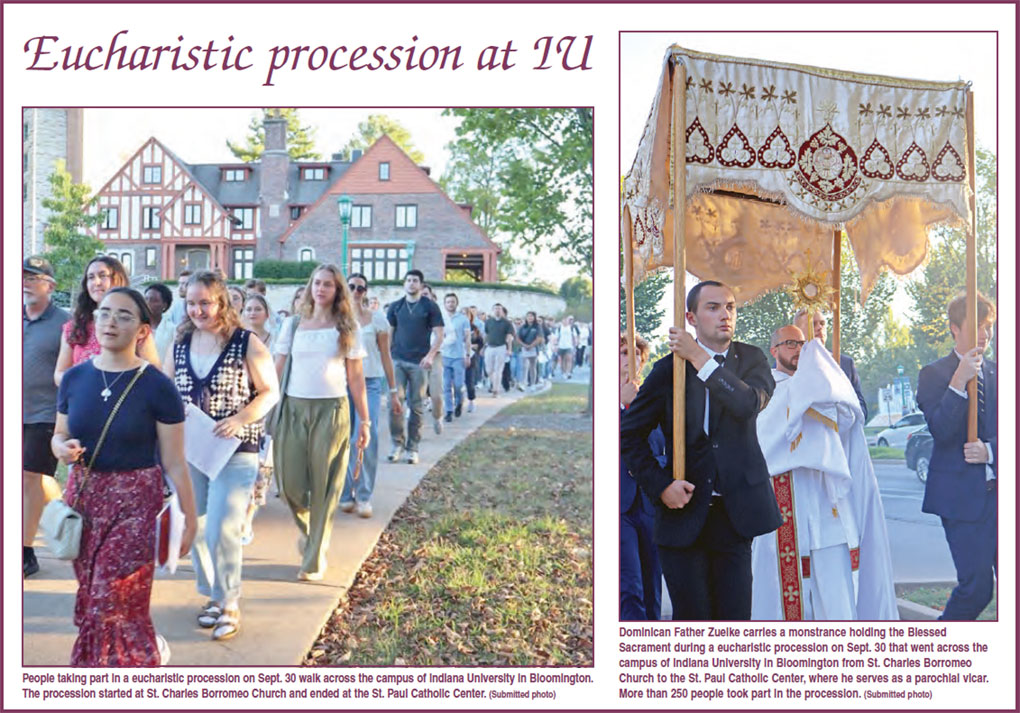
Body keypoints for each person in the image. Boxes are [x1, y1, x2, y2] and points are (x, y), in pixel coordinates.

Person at [52, 287, 197, 666]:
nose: (110, 322)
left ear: (143, 330)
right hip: (83, 498)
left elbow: (176, 462)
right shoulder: (74, 379)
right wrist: (60, 448)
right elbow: (59, 434)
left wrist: (191, 520)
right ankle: (140, 651)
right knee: (96, 594)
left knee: (108, 595)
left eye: (123, 315)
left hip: (135, 498)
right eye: (104, 313)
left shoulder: (158, 386)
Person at [620, 280, 781, 620]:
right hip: (682, 514)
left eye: (730, 307)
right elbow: (629, 434)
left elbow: (747, 403)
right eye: (713, 307)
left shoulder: (751, 359)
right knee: (693, 620)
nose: (725, 314)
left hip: (735, 513)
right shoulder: (668, 371)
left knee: (734, 619)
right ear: (691, 318)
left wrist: (699, 356)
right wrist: (660, 485)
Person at [751, 326, 897, 620]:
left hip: (825, 496)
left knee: (834, 585)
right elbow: (765, 441)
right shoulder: (766, 390)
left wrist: (829, 381)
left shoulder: (825, 387)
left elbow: (849, 423)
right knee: (781, 588)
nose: (798, 349)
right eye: (789, 343)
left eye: (803, 344)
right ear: (774, 351)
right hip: (783, 495)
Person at [165, 270, 279, 641]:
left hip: (235, 447)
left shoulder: (246, 342)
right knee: (194, 527)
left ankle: (230, 600)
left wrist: (240, 418)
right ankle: (213, 595)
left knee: (222, 528)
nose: (198, 310)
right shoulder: (179, 343)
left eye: (206, 302)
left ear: (222, 303)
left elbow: (269, 392)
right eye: (192, 302)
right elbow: (165, 391)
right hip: (192, 448)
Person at [274, 265, 370, 579]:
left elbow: (356, 378)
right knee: (290, 484)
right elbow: (277, 369)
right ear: (309, 287)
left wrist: (365, 422)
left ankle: (314, 557)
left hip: (332, 411)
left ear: (337, 290)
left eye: (328, 284)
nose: (321, 289)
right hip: (293, 409)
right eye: (316, 283)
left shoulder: (347, 327)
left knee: (325, 485)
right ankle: (311, 532)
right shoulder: (291, 325)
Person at [916, 293, 997, 620]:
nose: (985, 334)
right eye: (977, 326)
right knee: (976, 589)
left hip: (1001, 493)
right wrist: (959, 380)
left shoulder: (1001, 373)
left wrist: (991, 451)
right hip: (961, 499)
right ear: (954, 328)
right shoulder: (933, 374)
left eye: (989, 326)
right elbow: (942, 430)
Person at [23, 257, 70, 577]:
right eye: (22, 277)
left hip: (45, 413)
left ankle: (25, 553)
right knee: (36, 482)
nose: (25, 282)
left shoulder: (64, 324)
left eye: (33, 278)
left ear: (50, 286)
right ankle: (66, 512)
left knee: (27, 478)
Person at [339, 273, 398, 518]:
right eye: (351, 286)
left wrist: (393, 391)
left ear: (366, 292)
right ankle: (344, 493)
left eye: (360, 288)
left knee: (366, 436)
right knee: (343, 438)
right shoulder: (338, 319)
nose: (355, 291)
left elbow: (386, 355)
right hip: (340, 384)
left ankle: (364, 495)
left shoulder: (378, 320)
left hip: (371, 383)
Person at [55, 256, 161, 385]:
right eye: (91, 277)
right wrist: (84, 380)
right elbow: (59, 374)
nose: (96, 282)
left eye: (102, 275)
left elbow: (154, 372)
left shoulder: (134, 325)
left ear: (118, 280)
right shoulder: (74, 327)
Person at [620, 332, 664, 621]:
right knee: (629, 585)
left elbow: (666, 447)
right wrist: (626, 409)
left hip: (650, 502)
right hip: (619, 504)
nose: (630, 359)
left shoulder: (656, 398)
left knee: (652, 586)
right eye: (624, 352)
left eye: (637, 354)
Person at [386, 270, 443, 464]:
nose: (411, 283)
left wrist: (430, 355)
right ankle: (397, 443)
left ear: (421, 284)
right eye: (408, 280)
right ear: (404, 284)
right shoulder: (395, 307)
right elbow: (389, 334)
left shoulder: (430, 307)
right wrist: (386, 358)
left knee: (416, 405)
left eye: (415, 281)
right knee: (394, 403)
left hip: (420, 362)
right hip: (397, 361)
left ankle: (413, 447)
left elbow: (439, 335)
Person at [239, 293, 276, 544]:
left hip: (267, 409)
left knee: (263, 467)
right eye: (248, 309)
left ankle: (249, 517)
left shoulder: (274, 340)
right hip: (242, 411)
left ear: (266, 313)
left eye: (257, 309)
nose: (252, 313)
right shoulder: (235, 340)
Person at [794, 309, 867, 420]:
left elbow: (861, 407)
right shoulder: (788, 365)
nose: (819, 328)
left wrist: (846, 414)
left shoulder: (845, 364)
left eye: (822, 323)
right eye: (813, 324)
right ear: (798, 331)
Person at [439, 293, 471, 422]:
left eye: (452, 302)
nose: (450, 304)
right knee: (446, 385)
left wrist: (467, 354)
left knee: (458, 384)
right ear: (445, 304)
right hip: (444, 355)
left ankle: (459, 402)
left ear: (456, 303)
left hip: (458, 356)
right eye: (448, 302)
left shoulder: (463, 319)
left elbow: (467, 337)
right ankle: (448, 410)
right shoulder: (441, 318)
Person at [419, 284, 446, 435]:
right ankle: (417, 422)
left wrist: (432, 352)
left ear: (431, 296)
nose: (423, 296)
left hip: (435, 356)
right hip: (417, 357)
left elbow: (443, 336)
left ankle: (437, 416)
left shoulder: (437, 313)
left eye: (426, 294)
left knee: (436, 394)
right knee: (418, 394)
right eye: (420, 294)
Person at [482, 304, 514, 396]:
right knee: (488, 369)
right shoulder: (488, 322)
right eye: (495, 309)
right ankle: (495, 383)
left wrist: (509, 349)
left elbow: (509, 337)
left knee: (498, 369)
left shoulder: (507, 323)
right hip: (490, 347)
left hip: (501, 347)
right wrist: (483, 348)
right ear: (492, 310)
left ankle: (496, 389)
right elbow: (486, 335)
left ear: (502, 310)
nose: (497, 310)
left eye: (499, 309)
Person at [144, 283, 176, 360]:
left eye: (153, 300)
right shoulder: (136, 327)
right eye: (146, 299)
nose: (147, 303)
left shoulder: (172, 330)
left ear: (164, 305)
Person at [517, 311, 544, 390]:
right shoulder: (523, 327)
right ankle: (524, 383)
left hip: (533, 348)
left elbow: (539, 338)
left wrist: (531, 345)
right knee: (524, 366)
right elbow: (518, 338)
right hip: (524, 347)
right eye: (528, 316)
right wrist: (524, 345)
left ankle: (532, 383)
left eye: (531, 316)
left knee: (533, 366)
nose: (530, 318)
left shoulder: (537, 327)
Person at [464, 307, 483, 413]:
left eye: (466, 314)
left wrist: (474, 346)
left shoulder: (474, 328)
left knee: (469, 381)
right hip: (456, 357)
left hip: (470, 357)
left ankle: (471, 400)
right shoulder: (454, 327)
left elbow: (480, 342)